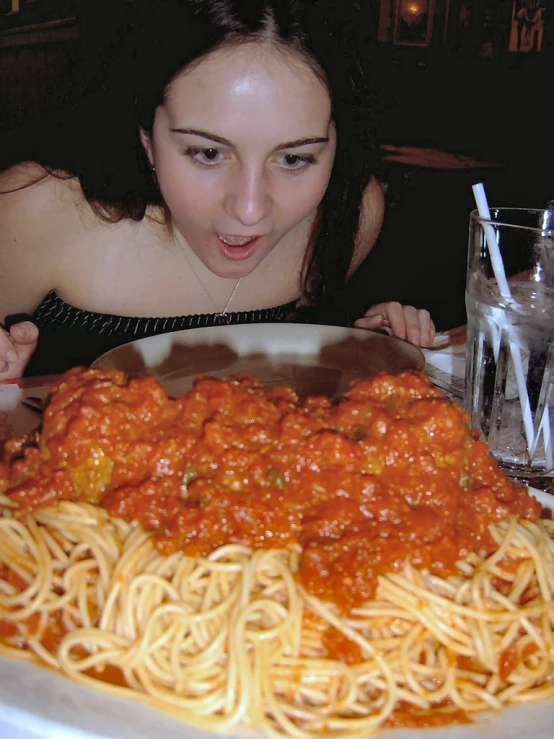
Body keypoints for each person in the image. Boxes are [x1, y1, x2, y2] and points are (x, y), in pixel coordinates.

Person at [0, 0, 435, 380]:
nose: (249, 211)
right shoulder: (35, 209)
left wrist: (363, 347)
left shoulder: (350, 213)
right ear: (147, 136)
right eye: (208, 154)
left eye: (294, 159)